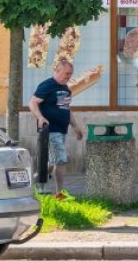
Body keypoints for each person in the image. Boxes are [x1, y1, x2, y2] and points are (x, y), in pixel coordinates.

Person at [28, 59, 104, 198]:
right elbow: (33, 103)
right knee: (61, 160)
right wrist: (40, 117)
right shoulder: (47, 85)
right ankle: (60, 194)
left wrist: (76, 126)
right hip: (51, 130)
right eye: (66, 73)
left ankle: (30, 183)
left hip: (62, 130)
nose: (68, 77)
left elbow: (66, 109)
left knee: (51, 163)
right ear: (57, 71)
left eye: (70, 74)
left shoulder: (65, 89)